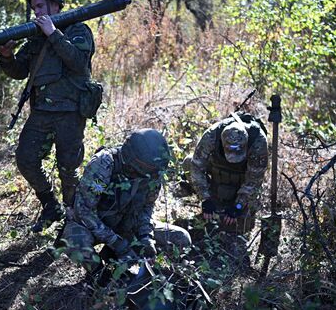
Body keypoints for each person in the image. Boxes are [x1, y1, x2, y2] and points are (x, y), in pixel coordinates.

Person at [0, 0, 95, 232]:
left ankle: (73, 218)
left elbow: (78, 63)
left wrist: (54, 34)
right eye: (34, 8)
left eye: (41, 6)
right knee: (26, 159)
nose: (37, 12)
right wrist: (7, 56)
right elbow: (20, 70)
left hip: (70, 113)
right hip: (41, 111)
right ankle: (50, 205)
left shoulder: (78, 31)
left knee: (68, 168)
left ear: (55, 5)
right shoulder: (35, 38)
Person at [61, 128, 192, 276]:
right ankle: (100, 278)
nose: (151, 175)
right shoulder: (104, 165)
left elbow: (147, 207)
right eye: (146, 169)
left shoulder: (154, 171)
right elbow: (84, 211)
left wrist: (146, 238)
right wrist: (115, 242)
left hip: (127, 224)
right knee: (76, 244)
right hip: (95, 225)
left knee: (181, 238)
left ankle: (114, 259)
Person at [186, 112, 268, 266]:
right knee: (187, 162)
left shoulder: (258, 142)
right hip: (218, 178)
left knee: (240, 227)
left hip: (241, 184)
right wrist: (205, 198)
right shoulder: (212, 135)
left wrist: (238, 206)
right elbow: (196, 166)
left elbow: (254, 180)